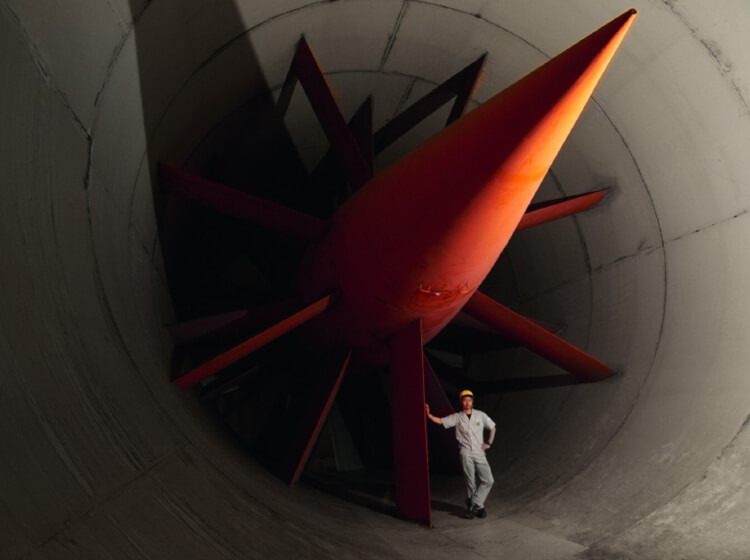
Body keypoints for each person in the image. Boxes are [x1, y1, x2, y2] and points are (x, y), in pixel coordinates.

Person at [425, 389, 496, 519]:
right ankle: (478, 507)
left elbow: (492, 427)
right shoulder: (457, 417)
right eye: (464, 400)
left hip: (479, 452)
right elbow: (441, 421)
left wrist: (489, 443)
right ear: (461, 402)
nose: (467, 402)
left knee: (489, 480)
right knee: (470, 481)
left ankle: (474, 503)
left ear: (472, 401)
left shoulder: (480, 415)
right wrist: (429, 415)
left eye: (469, 400)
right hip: (465, 452)